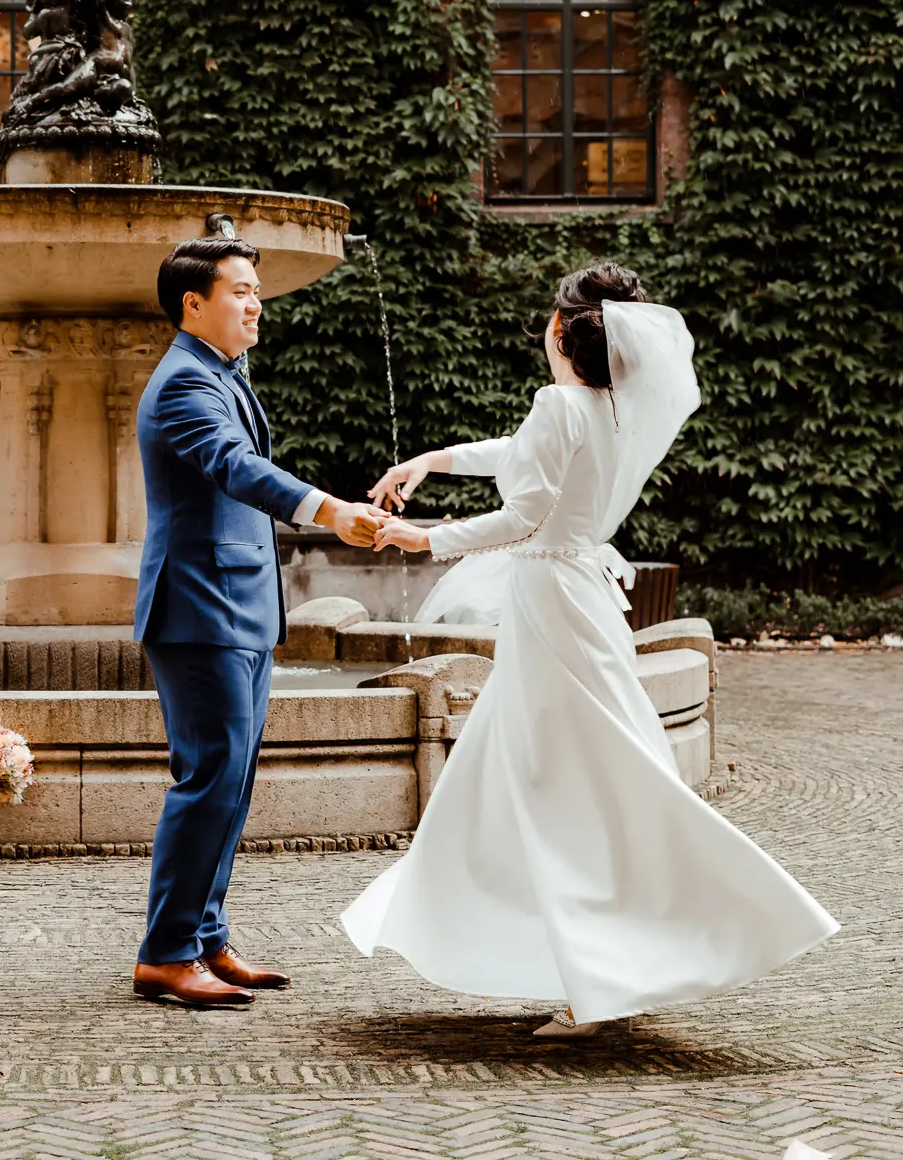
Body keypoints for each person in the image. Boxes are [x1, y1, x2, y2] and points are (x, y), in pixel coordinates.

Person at [342, 262, 838, 1037]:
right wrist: (432, 460)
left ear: (558, 329)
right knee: (560, 765)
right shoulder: (615, 409)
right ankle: (582, 948)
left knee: (568, 775)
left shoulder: (558, 403)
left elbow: (523, 514)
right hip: (583, 598)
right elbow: (524, 454)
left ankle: (596, 970)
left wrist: (423, 536)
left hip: (551, 601)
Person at [132, 237, 389, 1009]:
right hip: (199, 607)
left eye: (256, 289)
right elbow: (235, 468)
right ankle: (165, 953)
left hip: (239, 607)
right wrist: (328, 509)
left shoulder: (219, 373)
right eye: (239, 290)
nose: (255, 302)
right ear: (194, 303)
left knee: (232, 782)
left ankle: (206, 937)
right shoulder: (183, 383)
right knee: (208, 776)